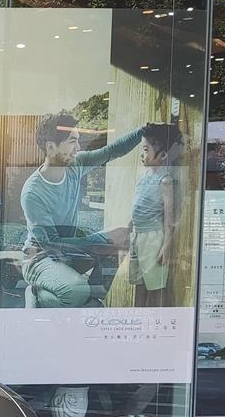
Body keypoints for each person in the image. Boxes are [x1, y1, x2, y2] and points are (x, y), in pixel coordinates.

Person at [21, 113, 144, 308]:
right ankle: (37, 295)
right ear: (51, 147)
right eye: (72, 141)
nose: (78, 148)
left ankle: (92, 295)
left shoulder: (76, 165)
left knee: (123, 238)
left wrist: (143, 132)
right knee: (76, 290)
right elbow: (52, 243)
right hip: (41, 258)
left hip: (70, 253)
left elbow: (111, 151)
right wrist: (102, 239)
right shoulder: (33, 192)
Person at [123, 123, 181, 307]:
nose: (142, 154)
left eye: (146, 150)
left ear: (162, 155)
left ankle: (157, 320)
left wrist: (166, 245)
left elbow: (169, 217)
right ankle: (137, 319)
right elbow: (137, 207)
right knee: (139, 284)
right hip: (138, 236)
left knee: (156, 286)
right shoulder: (144, 177)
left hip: (153, 239)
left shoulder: (165, 180)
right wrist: (128, 231)